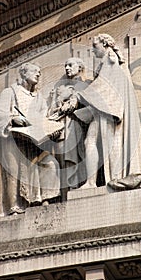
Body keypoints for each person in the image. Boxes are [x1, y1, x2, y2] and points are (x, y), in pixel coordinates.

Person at [77, 33, 141, 190]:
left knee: (100, 141)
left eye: (95, 47)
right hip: (104, 109)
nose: (94, 52)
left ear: (105, 45)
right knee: (92, 142)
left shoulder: (111, 60)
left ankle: (99, 180)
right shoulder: (109, 61)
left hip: (109, 111)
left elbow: (105, 86)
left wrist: (82, 93)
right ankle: (94, 181)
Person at [0, 62, 61, 215]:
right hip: (14, 138)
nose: (38, 74)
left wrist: (51, 131)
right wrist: (13, 118)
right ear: (23, 74)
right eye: (34, 71)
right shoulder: (10, 92)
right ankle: (13, 206)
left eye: (39, 72)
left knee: (51, 164)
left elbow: (44, 120)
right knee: (13, 171)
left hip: (35, 142)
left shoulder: (39, 98)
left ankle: (45, 199)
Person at [48, 57, 89, 196]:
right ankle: (66, 191)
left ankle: (75, 187)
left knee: (75, 156)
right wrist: (58, 101)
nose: (67, 68)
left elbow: (74, 105)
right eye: (65, 65)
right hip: (60, 129)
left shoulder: (84, 84)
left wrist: (65, 104)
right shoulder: (60, 89)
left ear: (79, 67)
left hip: (75, 125)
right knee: (62, 159)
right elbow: (50, 112)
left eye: (70, 65)